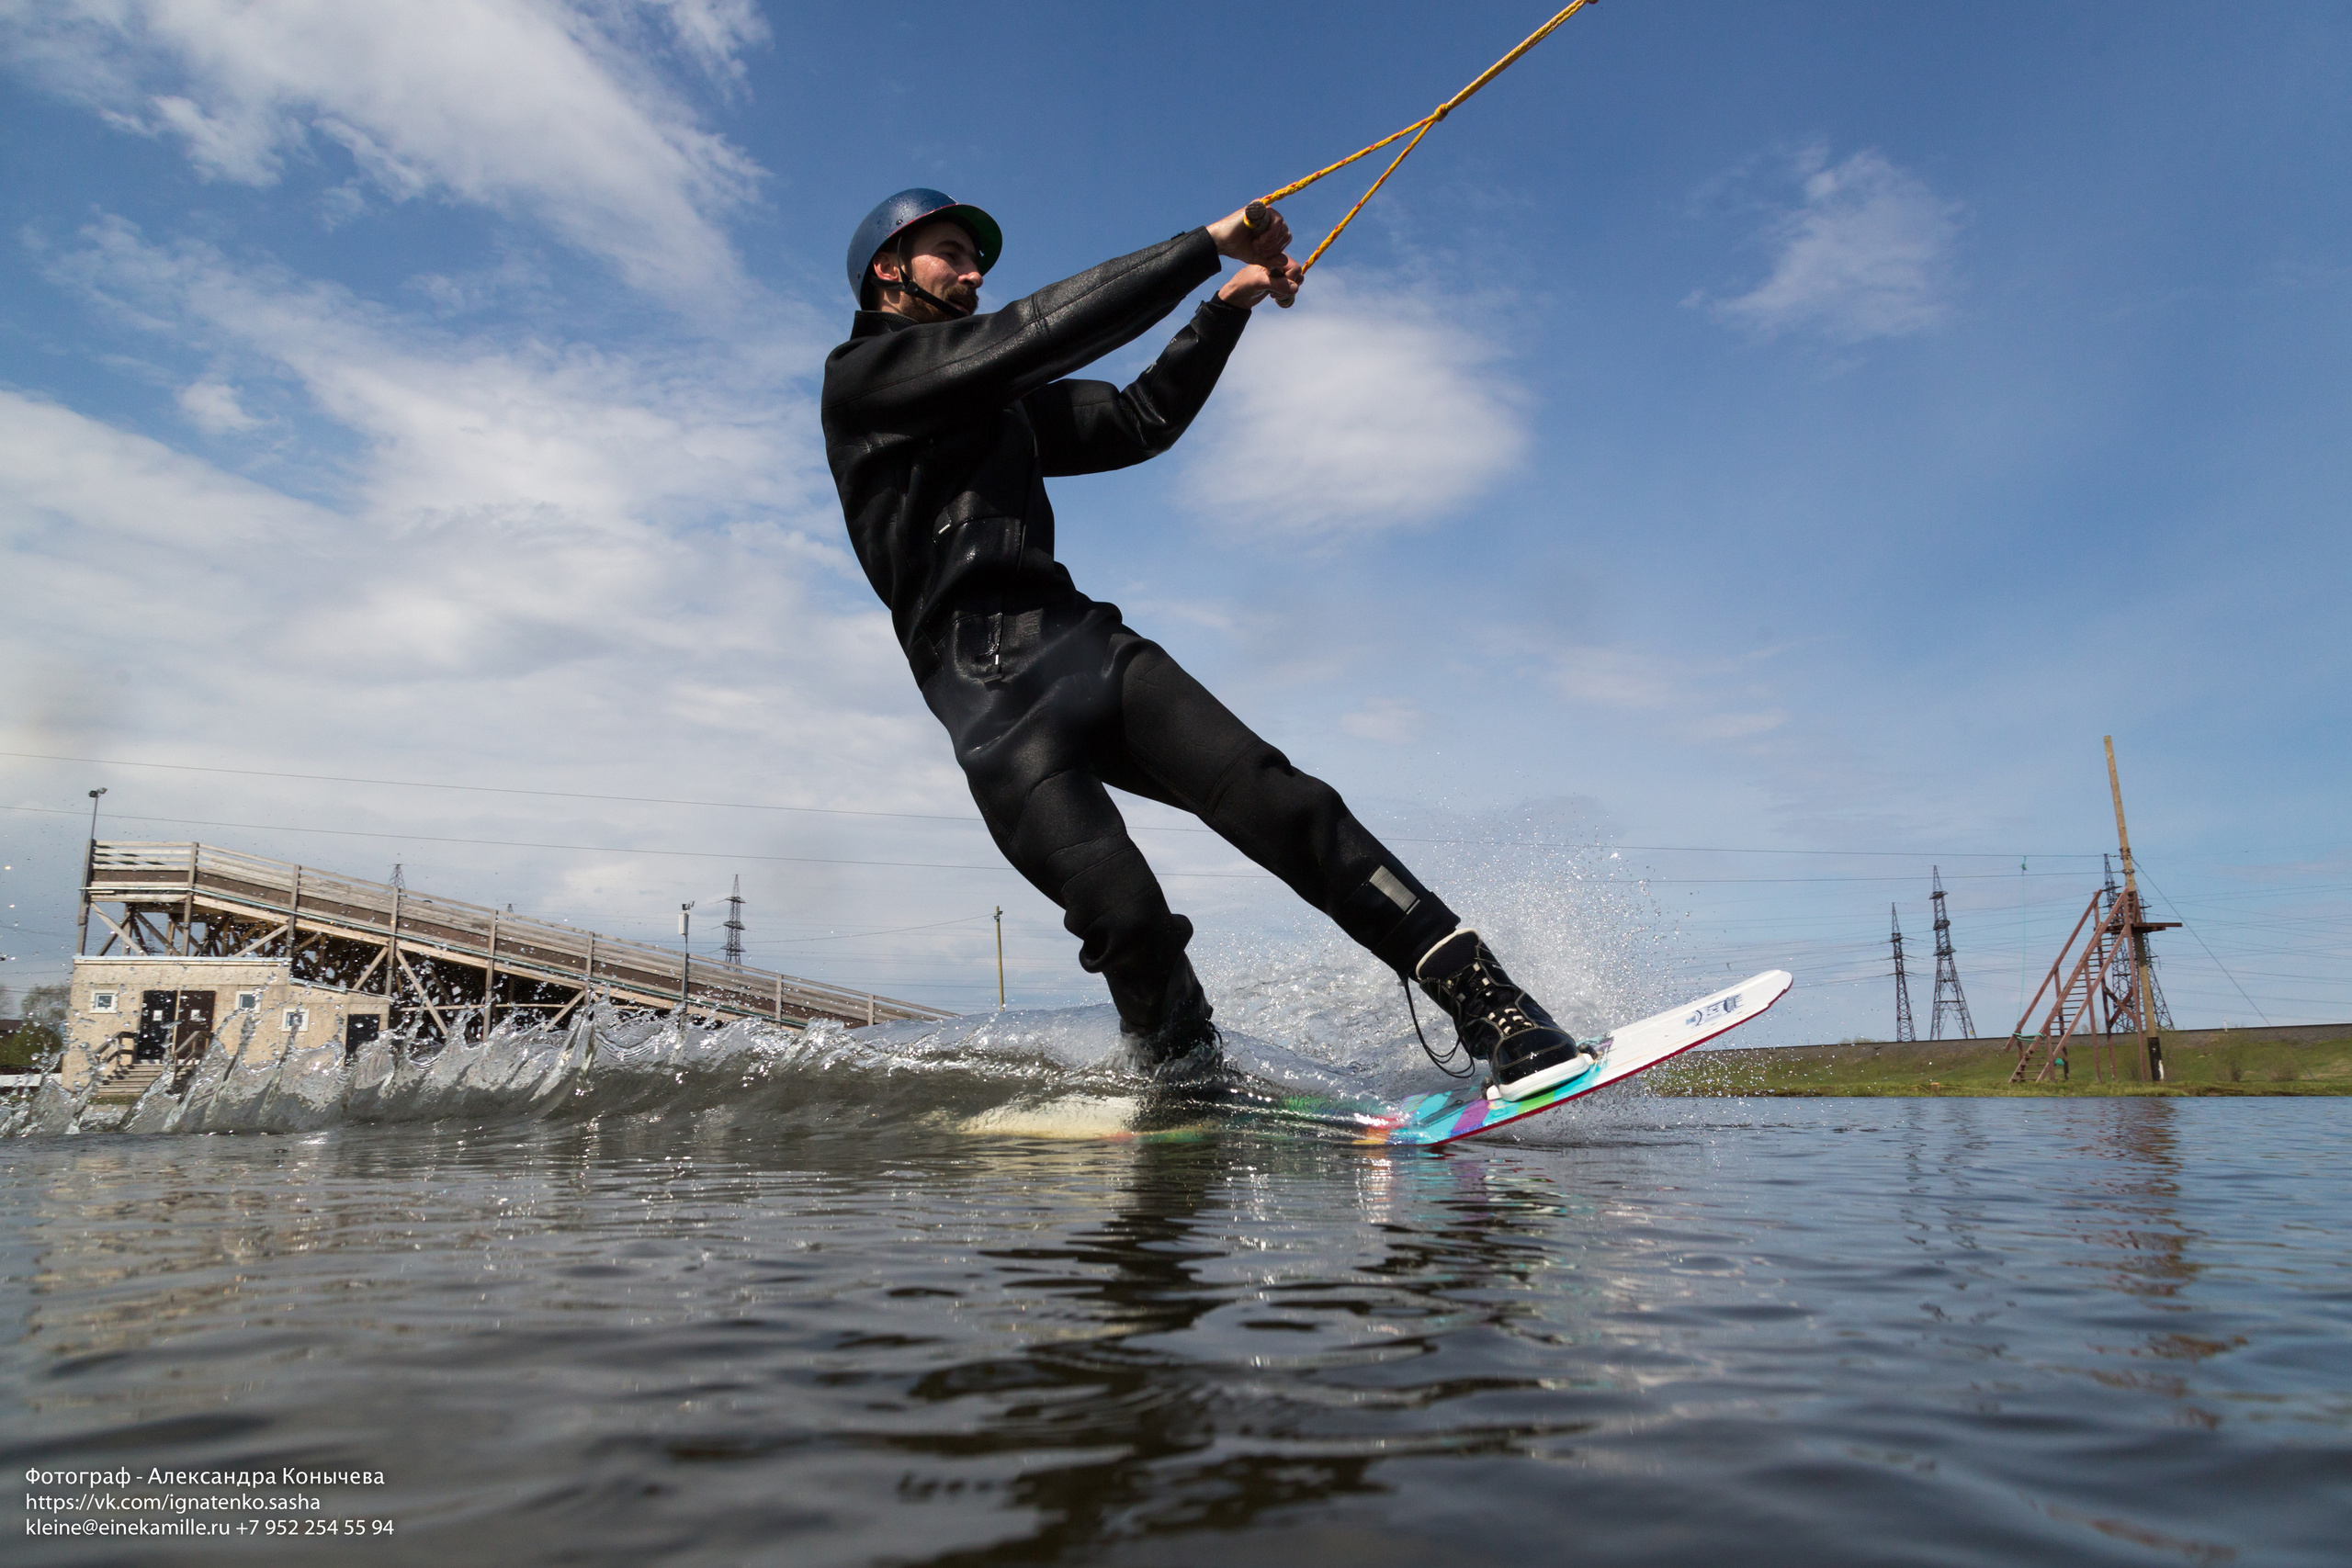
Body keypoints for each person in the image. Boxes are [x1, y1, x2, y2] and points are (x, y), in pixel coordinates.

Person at [820, 188, 1594, 1099]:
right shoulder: (865, 381)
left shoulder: (997, 406)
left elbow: (1137, 419)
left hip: (1081, 650)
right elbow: (1033, 333)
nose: (975, 271)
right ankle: (1186, 1080)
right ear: (888, 268)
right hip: (989, 709)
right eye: (951, 253)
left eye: (974, 257)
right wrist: (1205, 246)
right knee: (1127, 919)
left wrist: (1226, 307)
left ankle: (1492, 1006)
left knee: (1286, 804)